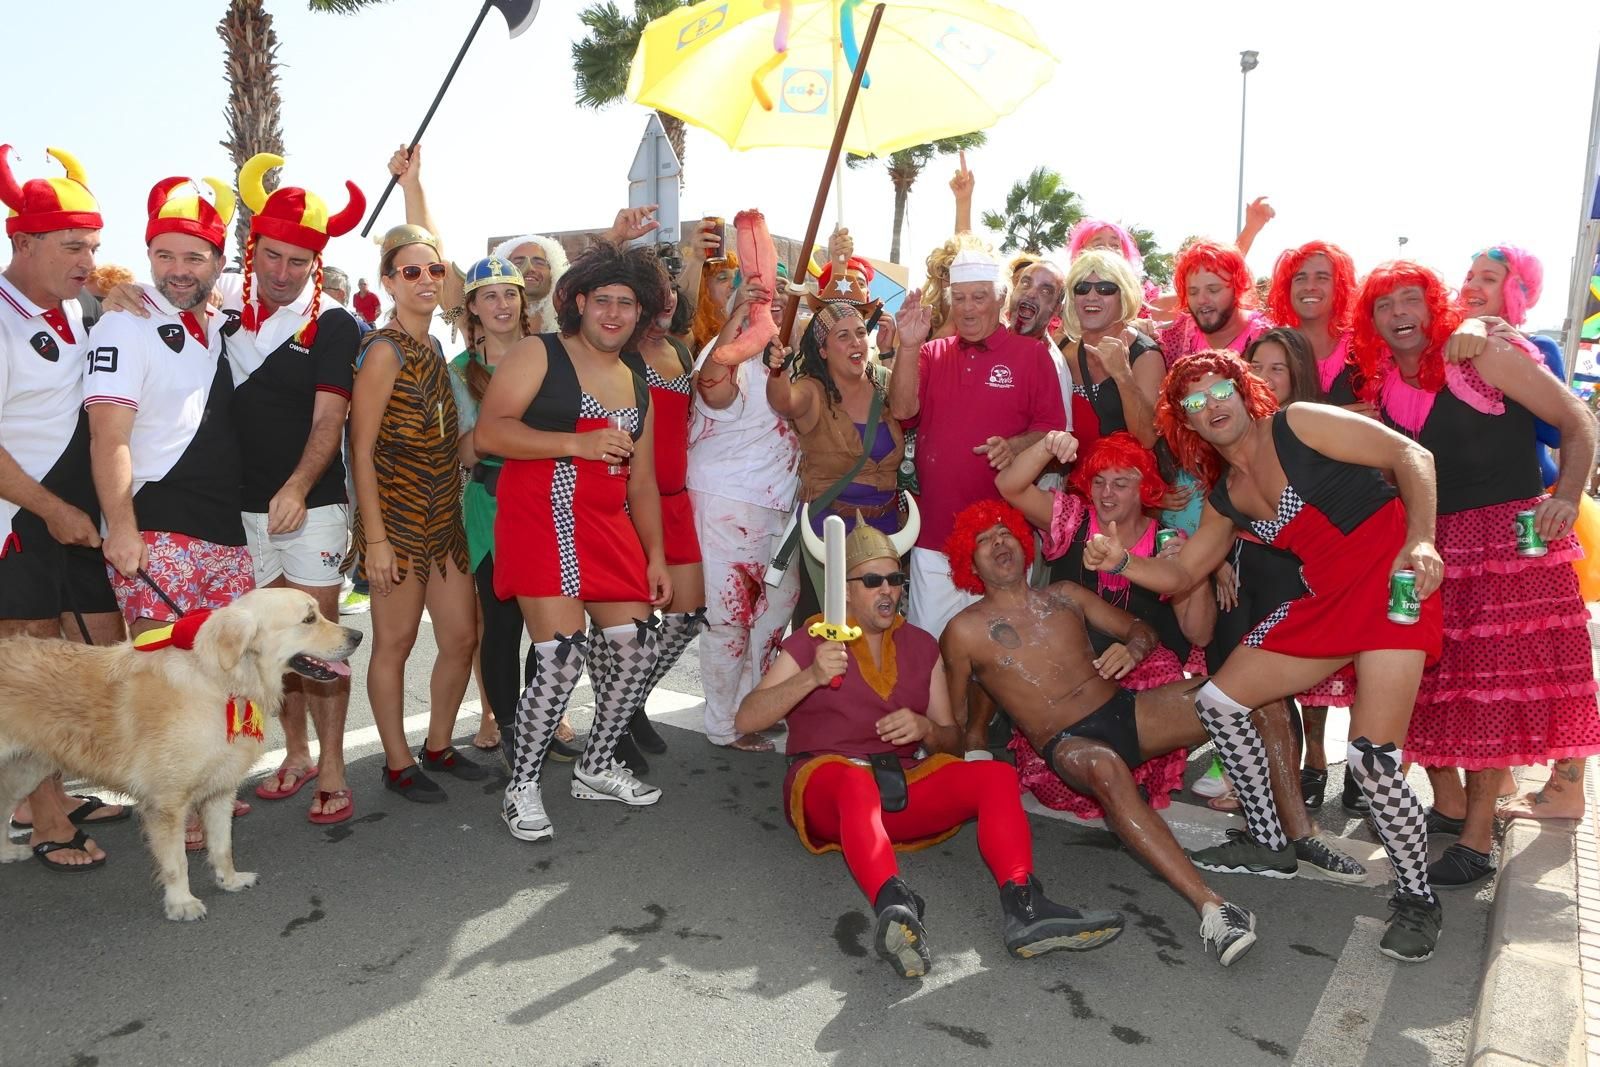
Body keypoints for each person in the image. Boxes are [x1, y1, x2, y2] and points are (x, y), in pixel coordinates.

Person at [1078, 350, 1449, 962]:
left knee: (1373, 762)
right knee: (1220, 700)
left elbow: (1414, 456)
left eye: (1218, 390)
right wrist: (1118, 561)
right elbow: (1183, 570)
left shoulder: (1299, 422)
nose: (1211, 406)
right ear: (1187, 424)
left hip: (1392, 587)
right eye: (1194, 402)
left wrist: (1422, 538)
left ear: (1242, 390)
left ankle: (1416, 899)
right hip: (1325, 602)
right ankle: (1269, 840)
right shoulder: (1229, 493)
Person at [734, 511, 1125, 978]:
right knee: (854, 783)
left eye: (896, 579)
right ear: (845, 590)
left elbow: (952, 742)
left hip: (899, 791)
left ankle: (1026, 906)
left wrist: (925, 729)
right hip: (830, 791)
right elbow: (747, 718)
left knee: (996, 774)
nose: (888, 590)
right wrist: (812, 676)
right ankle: (896, 907)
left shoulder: (921, 644)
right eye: (873, 580)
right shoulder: (812, 639)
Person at [941, 500, 1278, 966]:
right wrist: (960, 745)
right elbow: (955, 715)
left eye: (1005, 533)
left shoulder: (1065, 594)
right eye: (983, 540)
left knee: (1255, 692)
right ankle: (1215, 909)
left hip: (1127, 710)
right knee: (1106, 768)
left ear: (1024, 544)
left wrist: (1131, 650)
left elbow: (1142, 629)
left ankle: (1288, 835)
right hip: (1072, 744)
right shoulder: (962, 631)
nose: (998, 543)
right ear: (969, 562)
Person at [1349, 263, 1600, 887]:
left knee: (1496, 689)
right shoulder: (1386, 382)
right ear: (1372, 321)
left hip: (1509, 544)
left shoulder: (1480, 351)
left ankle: (1479, 837)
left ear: (1435, 307)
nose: (1400, 312)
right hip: (1437, 545)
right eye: (1385, 305)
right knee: (1437, 686)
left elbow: (1576, 421)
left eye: (1413, 299)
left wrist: (1565, 495)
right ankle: (1452, 806)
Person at [475, 240, 673, 841]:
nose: (614, 314)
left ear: (641, 313)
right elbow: (490, 434)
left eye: (627, 304)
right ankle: (523, 785)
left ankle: (596, 762)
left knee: (638, 646)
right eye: (603, 301)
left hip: (607, 524)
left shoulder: (639, 377)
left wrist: (656, 555)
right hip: (541, 515)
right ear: (579, 302)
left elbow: (642, 480)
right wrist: (575, 444)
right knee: (560, 659)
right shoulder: (540, 352)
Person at [86, 172, 257, 850]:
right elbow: (108, 435)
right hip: (156, 530)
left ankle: (207, 789)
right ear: (148, 254)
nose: (177, 270)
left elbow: (284, 284)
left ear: (217, 261)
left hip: (223, 531)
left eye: (193, 257)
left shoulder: (213, 321)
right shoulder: (126, 321)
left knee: (221, 670)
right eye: (165, 255)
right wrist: (121, 528)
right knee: (163, 681)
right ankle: (170, 806)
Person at [222, 153, 364, 825]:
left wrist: (298, 487)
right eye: (271, 257)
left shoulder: (333, 322)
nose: (282, 274)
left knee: (321, 640)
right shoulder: (223, 309)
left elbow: (329, 417)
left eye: (297, 263)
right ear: (253, 249)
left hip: (313, 508)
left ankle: (332, 764)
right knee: (271, 645)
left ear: (316, 263)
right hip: (239, 510)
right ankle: (297, 751)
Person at [0, 144, 128, 870]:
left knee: (81, 658)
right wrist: (50, 508)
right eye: (72, 246)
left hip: (67, 517)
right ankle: (45, 818)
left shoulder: (73, 311)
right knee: (34, 675)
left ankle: (48, 794)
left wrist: (121, 295)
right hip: (19, 522)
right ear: (22, 242)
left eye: (93, 247)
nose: (87, 260)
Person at [995, 432, 1209, 820]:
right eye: (1098, 481)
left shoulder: (1166, 541)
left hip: (1140, 660)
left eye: (1121, 483)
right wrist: (1048, 444)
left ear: (1144, 489)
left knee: (1161, 670)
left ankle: (1129, 767)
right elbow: (1008, 486)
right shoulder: (1072, 519)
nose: (1107, 493)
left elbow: (1200, 634)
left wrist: (1192, 575)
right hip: (1069, 663)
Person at [348, 221, 486, 803]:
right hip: (397, 521)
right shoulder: (383, 350)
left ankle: (437, 744)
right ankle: (398, 763)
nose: (427, 280)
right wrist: (374, 540)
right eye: (411, 271)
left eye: (434, 270)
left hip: (443, 519)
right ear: (389, 281)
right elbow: (360, 447)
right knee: (397, 642)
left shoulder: (435, 348)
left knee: (460, 636)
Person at [1455, 245, 1583, 821]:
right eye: (1470, 276)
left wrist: (1566, 498)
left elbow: (1561, 428)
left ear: (1518, 291)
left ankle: (1566, 784)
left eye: (1490, 278)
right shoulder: (1460, 344)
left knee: (1549, 654)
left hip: (1537, 515)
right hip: (1482, 522)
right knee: (1492, 660)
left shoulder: (1538, 347)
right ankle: (1501, 777)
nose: (1474, 285)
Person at [887, 248, 1067, 636]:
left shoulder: (1034, 355)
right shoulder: (931, 352)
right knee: (930, 649)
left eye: (979, 297)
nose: (968, 309)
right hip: (934, 536)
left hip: (1003, 540)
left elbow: (1052, 431)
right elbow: (902, 411)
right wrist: (907, 346)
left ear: (1000, 298)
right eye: (960, 297)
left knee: (1002, 658)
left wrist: (1016, 446)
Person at [1240, 328, 1361, 811]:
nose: (1266, 378)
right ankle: (1310, 763)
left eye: (1278, 369)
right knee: (1287, 674)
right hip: (1262, 561)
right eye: (1256, 367)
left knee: (1345, 674)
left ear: (1298, 375)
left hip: (1325, 566)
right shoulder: (1236, 425)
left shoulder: (1317, 424)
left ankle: (1358, 769)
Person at [690, 282, 801, 753]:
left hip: (784, 506)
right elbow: (714, 393)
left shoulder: (793, 356)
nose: (771, 305)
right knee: (731, 616)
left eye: (778, 296)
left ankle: (751, 708)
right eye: (759, 297)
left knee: (773, 613)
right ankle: (723, 722)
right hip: (729, 501)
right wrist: (735, 322)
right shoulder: (724, 352)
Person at [766, 276, 903, 625]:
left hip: (888, 534)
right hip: (827, 537)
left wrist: (897, 350)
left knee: (881, 634)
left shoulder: (884, 383)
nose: (856, 342)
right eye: (843, 336)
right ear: (823, 349)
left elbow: (912, 405)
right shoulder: (811, 390)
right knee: (826, 635)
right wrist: (777, 367)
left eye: (860, 332)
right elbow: (783, 400)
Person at [447, 256, 534, 758]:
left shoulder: (552, 355)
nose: (501, 304)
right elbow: (461, 452)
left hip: (548, 500)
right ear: (473, 309)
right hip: (490, 504)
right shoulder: (460, 371)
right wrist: (498, 431)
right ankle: (506, 723)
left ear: (523, 302)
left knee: (555, 624)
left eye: (510, 293)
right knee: (501, 626)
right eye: (489, 296)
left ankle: (541, 709)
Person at [619, 283, 706, 772]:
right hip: (633, 502)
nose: (668, 298)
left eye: (672, 290)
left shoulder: (678, 348)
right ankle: (618, 721)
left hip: (677, 500)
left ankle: (631, 704)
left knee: (688, 615)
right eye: (657, 291)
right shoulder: (622, 351)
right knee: (627, 627)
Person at [1060, 250, 1163, 452]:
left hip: (1123, 479)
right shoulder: (1064, 350)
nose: (1091, 296)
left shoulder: (1145, 355)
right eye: (1082, 288)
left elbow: (1147, 439)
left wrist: (1123, 377)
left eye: (1105, 289)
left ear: (1123, 296)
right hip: (1072, 479)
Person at [1265, 241, 1358, 396]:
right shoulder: (1272, 347)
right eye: (1300, 278)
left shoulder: (1362, 348)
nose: (1309, 287)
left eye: (1322, 278)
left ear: (1340, 287)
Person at [1157, 240, 1265, 369]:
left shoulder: (1264, 338)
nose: (1201, 300)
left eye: (1213, 290)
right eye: (1193, 292)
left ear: (1238, 288)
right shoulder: (1178, 336)